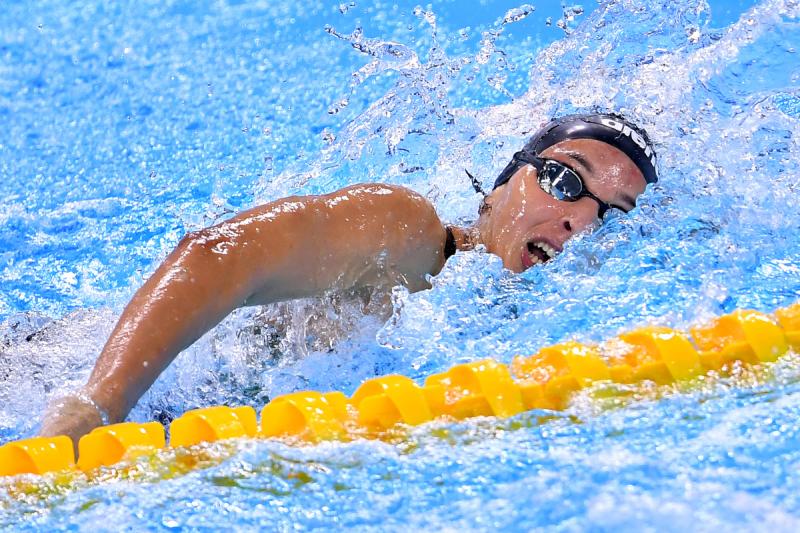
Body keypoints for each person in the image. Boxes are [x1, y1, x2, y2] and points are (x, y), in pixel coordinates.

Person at [39, 112, 659, 446]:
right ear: (500, 187)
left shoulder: (530, 330)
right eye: (563, 180)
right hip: (53, 369)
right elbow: (220, 253)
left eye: (610, 215)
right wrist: (96, 404)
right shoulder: (408, 236)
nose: (579, 220)